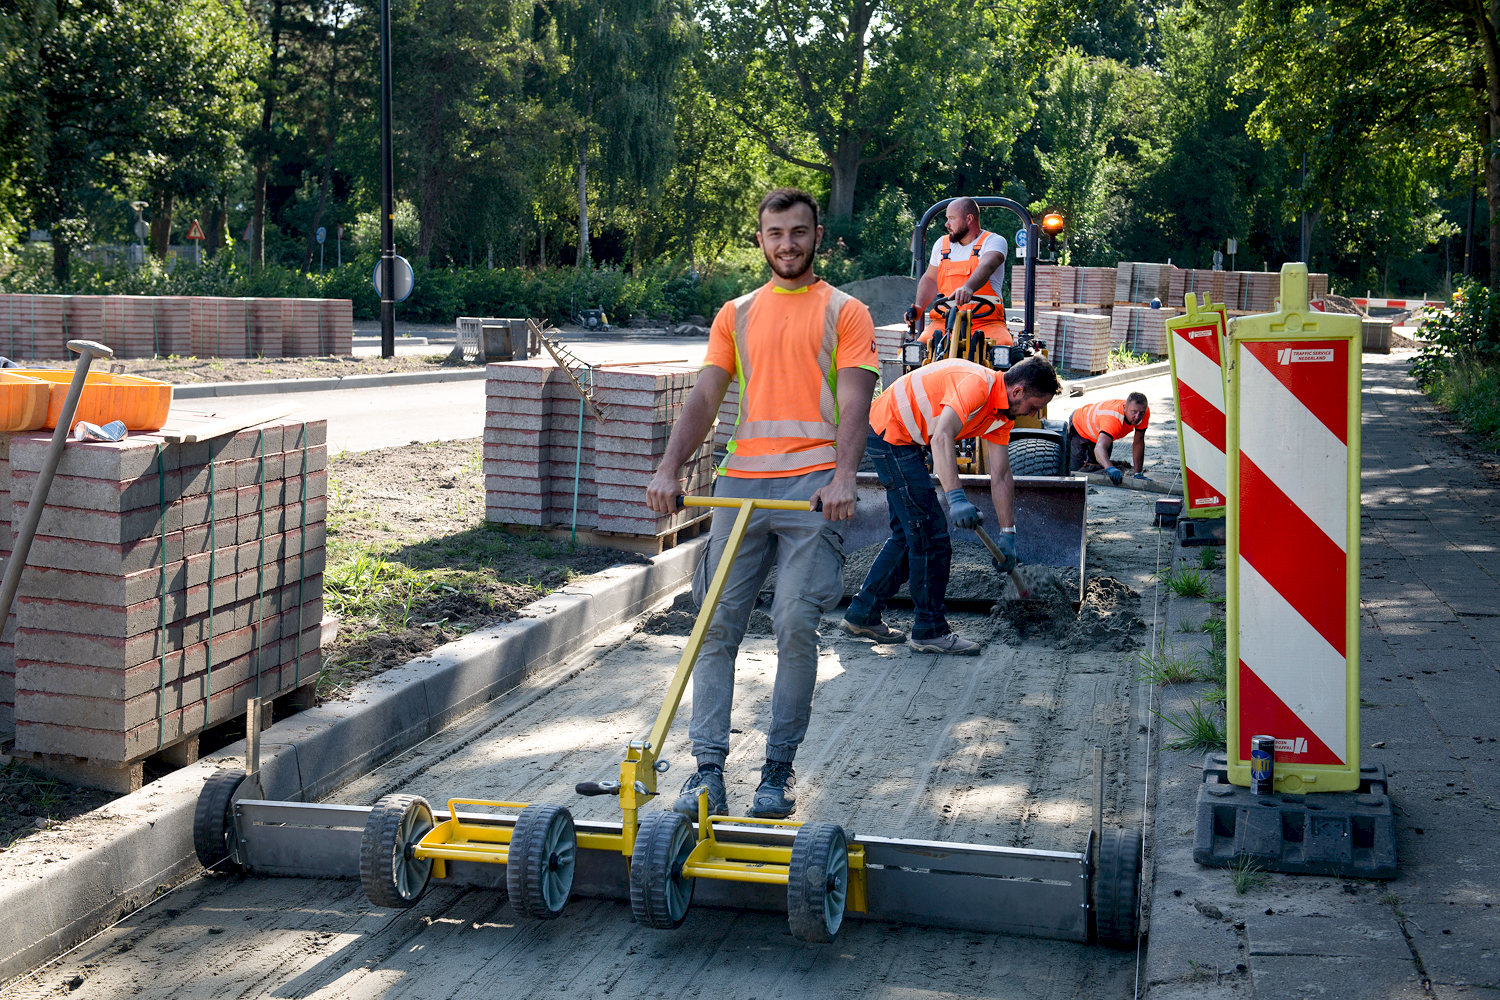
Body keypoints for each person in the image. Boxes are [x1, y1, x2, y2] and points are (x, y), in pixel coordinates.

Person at [645, 187, 879, 820]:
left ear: (817, 237)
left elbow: (855, 401)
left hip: (814, 490)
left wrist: (844, 477)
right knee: (713, 624)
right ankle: (707, 771)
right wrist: (669, 468)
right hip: (740, 483)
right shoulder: (737, 313)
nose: (787, 244)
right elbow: (705, 396)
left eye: (798, 232)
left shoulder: (846, 312)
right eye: (776, 234)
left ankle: (777, 769)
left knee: (794, 623)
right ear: (760, 240)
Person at [841, 356, 1061, 654]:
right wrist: (956, 498)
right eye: (1033, 406)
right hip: (890, 431)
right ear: (1018, 391)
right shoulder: (977, 385)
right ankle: (929, 630)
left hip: (905, 439)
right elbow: (942, 436)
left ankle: (862, 613)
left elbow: (1001, 475)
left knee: (909, 535)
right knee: (931, 538)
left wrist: (1008, 534)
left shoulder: (1001, 416)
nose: (1032, 414)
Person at [909, 197, 1012, 347]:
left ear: (969, 219)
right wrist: (919, 306)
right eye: (947, 218)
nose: (947, 224)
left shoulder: (993, 241)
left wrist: (968, 287)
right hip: (944, 323)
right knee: (918, 349)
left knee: (1003, 349)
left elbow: (987, 265)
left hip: (987, 322)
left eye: (952, 218)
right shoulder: (941, 245)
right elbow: (930, 278)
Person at [1066, 392, 1151, 484]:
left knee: (1097, 466)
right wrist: (1110, 468)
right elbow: (1099, 448)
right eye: (1134, 412)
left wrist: (1138, 473)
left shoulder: (1144, 412)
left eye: (1141, 413)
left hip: (1101, 432)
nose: (1137, 417)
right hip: (1079, 425)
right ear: (1125, 408)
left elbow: (1138, 442)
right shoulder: (1113, 418)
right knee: (1076, 472)